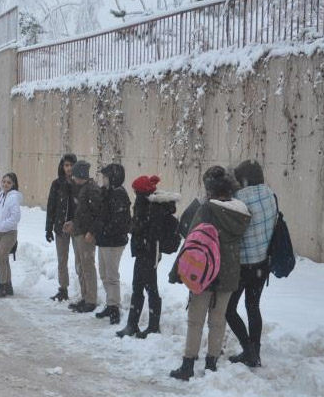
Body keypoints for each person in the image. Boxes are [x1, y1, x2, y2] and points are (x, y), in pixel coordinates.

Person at [168, 166, 250, 381]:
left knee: (195, 321)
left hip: (203, 272)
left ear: (210, 190)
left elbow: (191, 241)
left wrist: (176, 270)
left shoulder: (207, 210)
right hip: (229, 273)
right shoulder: (241, 212)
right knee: (218, 320)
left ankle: (188, 365)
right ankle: (212, 363)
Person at [226, 160, 277, 368]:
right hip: (263, 264)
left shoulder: (238, 201)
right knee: (253, 307)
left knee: (229, 309)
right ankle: (255, 351)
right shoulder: (270, 196)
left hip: (243, 266)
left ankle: (248, 350)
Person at [116, 176, 180, 338]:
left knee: (149, 288)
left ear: (140, 191)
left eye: (136, 191)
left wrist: (138, 228)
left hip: (149, 252)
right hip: (145, 252)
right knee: (140, 287)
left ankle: (150, 326)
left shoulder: (151, 207)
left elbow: (149, 231)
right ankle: (135, 325)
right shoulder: (146, 204)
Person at [94, 164, 131, 324]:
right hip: (103, 240)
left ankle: (114, 306)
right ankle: (110, 303)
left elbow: (119, 220)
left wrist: (105, 230)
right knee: (103, 273)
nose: (103, 180)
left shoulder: (119, 194)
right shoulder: (107, 192)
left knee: (112, 275)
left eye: (105, 177)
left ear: (113, 177)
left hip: (113, 242)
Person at [67, 160, 101, 314]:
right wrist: (73, 223)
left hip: (86, 234)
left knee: (87, 266)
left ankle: (91, 300)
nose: (73, 178)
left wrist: (92, 232)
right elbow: (82, 213)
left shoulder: (92, 190)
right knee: (81, 265)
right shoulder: (83, 188)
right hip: (79, 231)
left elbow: (97, 214)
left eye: (75, 175)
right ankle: (85, 296)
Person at [45, 153, 77, 302]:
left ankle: (86, 292)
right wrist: (48, 228)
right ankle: (63, 289)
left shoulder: (79, 182)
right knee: (62, 260)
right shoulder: (57, 184)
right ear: (62, 167)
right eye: (66, 165)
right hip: (61, 227)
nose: (69, 168)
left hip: (77, 227)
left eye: (71, 165)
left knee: (80, 260)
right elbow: (51, 206)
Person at [0, 173, 22, 298]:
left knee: (0, 259)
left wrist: (2, 225)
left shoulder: (13, 197)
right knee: (4, 259)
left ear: (13, 184)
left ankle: (2, 286)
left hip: (9, 233)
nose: (5, 184)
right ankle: (8, 285)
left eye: (8, 182)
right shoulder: (1, 195)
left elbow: (15, 217)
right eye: (4, 181)